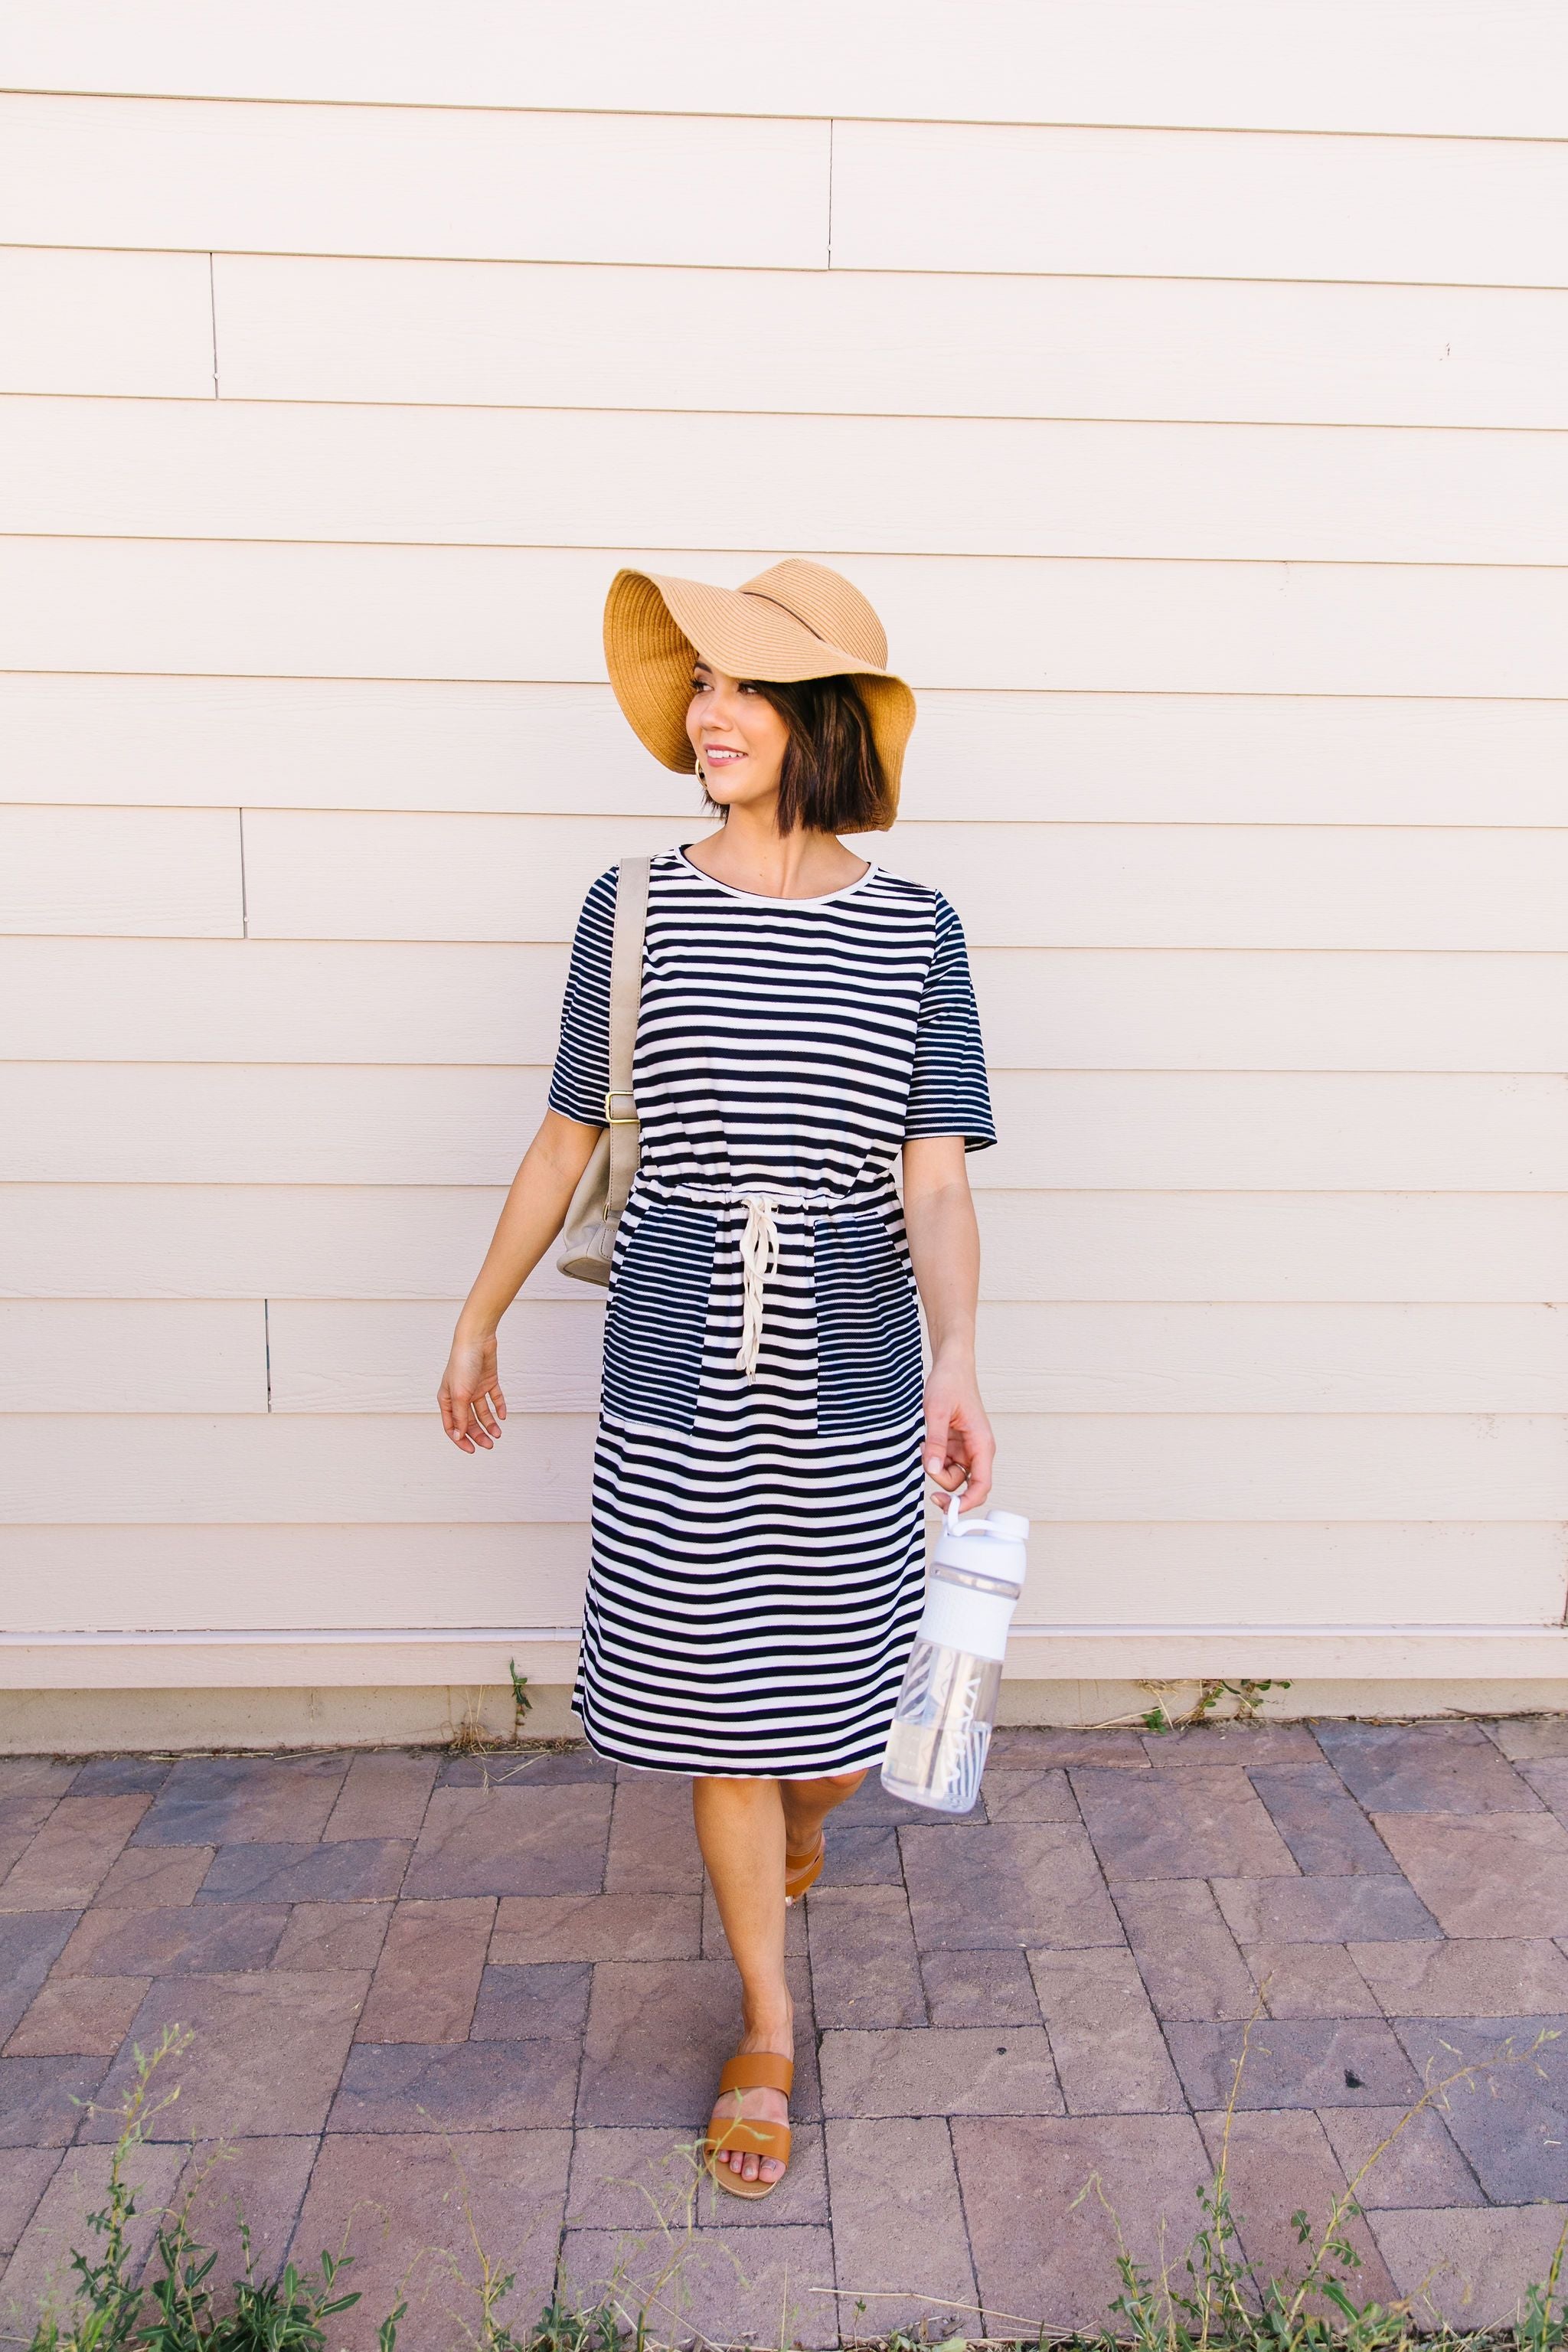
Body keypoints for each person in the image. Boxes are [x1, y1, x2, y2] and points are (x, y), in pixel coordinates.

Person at [438, 559, 996, 2197]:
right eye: (699, 684)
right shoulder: (633, 904)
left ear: (820, 717)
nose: (708, 713)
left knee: (828, 1717)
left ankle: (811, 1810)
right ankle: (767, 2022)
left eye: (745, 686)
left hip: (850, 1350)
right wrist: (477, 1313)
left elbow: (940, 1180)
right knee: (716, 1717)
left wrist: (959, 1359)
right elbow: (567, 1136)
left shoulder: (916, 928)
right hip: (675, 1345)